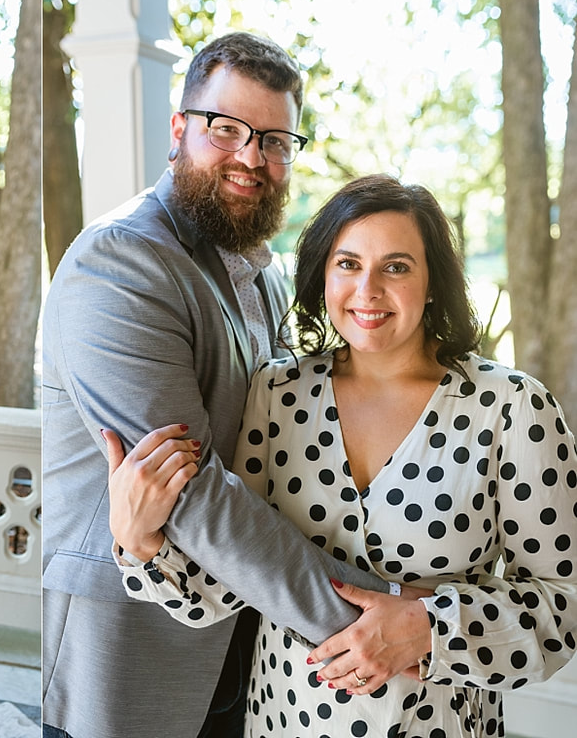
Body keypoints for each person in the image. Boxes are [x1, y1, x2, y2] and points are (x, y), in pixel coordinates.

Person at [108, 174, 577, 737]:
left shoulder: (512, 408)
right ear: (322, 275)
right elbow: (226, 586)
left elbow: (561, 608)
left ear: (432, 282)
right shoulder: (277, 395)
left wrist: (430, 628)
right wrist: (140, 542)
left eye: (396, 267)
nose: (368, 290)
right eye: (348, 264)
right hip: (284, 724)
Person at [41, 31, 393, 738]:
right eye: (225, 128)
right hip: (130, 642)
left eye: (274, 139)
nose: (250, 156)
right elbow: (188, 491)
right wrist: (375, 616)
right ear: (179, 128)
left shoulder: (256, 272)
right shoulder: (119, 264)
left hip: (246, 633)